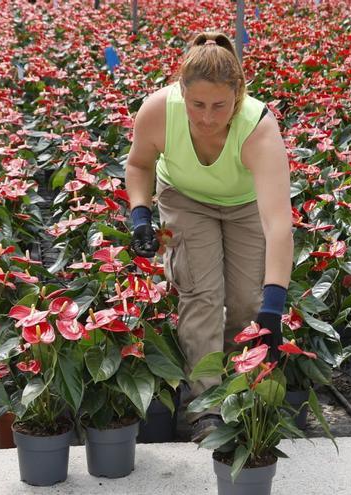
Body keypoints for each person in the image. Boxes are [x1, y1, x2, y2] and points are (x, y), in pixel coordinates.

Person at [124, 31, 293, 442]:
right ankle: (206, 405)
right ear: (182, 91)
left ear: (238, 96)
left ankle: (242, 390)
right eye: (197, 104)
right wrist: (141, 215)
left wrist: (273, 307)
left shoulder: (258, 129)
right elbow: (139, 165)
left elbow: (278, 225)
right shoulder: (159, 111)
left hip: (244, 205)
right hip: (184, 198)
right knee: (201, 293)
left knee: (247, 301)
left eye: (219, 105)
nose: (206, 117)